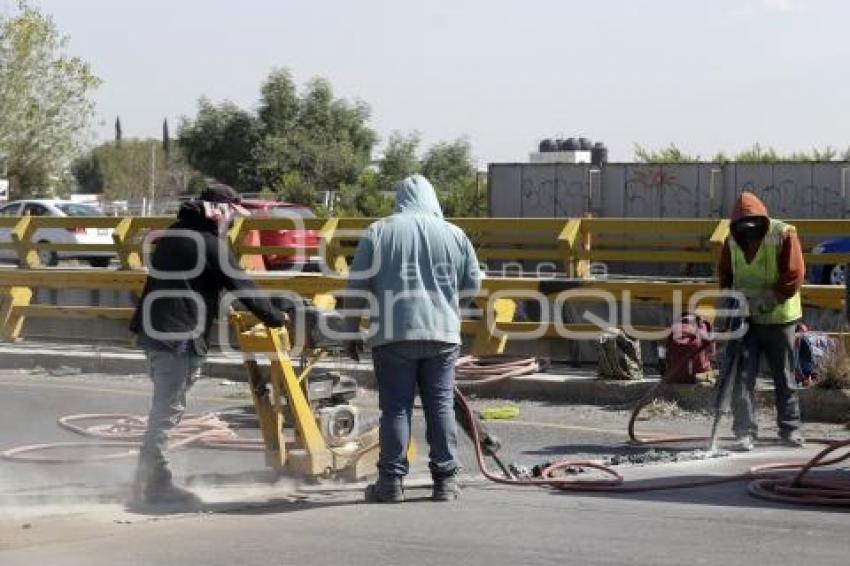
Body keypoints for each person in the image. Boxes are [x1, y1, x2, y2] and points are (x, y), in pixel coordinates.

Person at [129, 184, 287, 505]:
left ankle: (146, 479)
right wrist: (277, 317)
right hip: (179, 337)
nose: (233, 223)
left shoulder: (174, 234)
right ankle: (152, 484)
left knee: (165, 408)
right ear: (220, 211)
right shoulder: (210, 243)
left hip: (153, 332)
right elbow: (243, 285)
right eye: (231, 215)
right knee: (166, 411)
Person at [344, 174, 481, 503]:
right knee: (441, 406)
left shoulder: (379, 231)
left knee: (396, 409)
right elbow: (472, 285)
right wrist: (448, 308)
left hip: (392, 335)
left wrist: (351, 329)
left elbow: (357, 286)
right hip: (443, 334)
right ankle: (446, 482)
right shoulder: (455, 234)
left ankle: (390, 483)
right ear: (433, 199)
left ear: (399, 199)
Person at [718, 191, 805, 451]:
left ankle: (790, 430)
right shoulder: (731, 241)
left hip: (780, 320)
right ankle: (744, 432)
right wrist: (731, 304)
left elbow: (794, 275)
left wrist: (766, 301)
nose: (748, 235)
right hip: (746, 323)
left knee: (784, 376)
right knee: (742, 378)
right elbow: (726, 275)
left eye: (752, 229)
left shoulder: (784, 234)